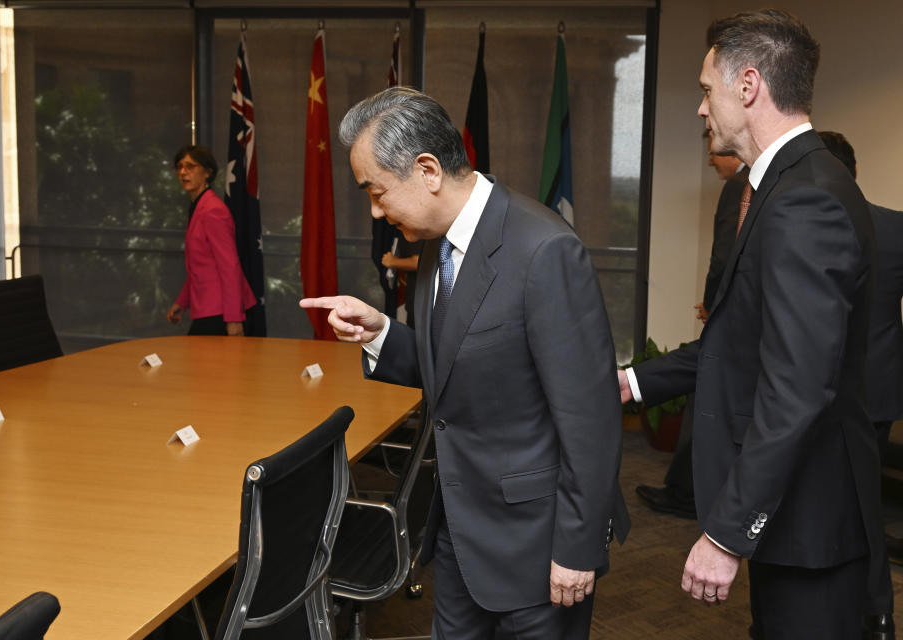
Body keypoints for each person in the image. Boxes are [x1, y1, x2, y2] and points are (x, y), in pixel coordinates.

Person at [301, 87, 628, 639]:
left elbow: (590, 419)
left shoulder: (544, 250)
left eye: (377, 192)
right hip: (459, 529)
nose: (376, 211)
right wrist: (382, 333)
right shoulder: (437, 241)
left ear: (427, 169)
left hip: (537, 544)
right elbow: (456, 365)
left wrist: (577, 547)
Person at [619, 10, 880, 638]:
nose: (702, 109)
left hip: (810, 521)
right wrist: (631, 383)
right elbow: (738, 344)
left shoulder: (804, 198)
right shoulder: (783, 187)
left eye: (707, 90)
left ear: (748, 85)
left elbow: (796, 388)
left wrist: (726, 533)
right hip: (799, 517)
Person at [636, 133, 748, 520]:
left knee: (704, 400)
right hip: (738, 320)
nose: (710, 160)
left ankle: (687, 493)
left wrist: (715, 307)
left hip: (728, 325)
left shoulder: (740, 188)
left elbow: (724, 258)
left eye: (712, 149)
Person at [819, 129, 902, 640]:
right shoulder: (894, 226)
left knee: (833, 503)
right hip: (879, 388)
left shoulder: (810, 223)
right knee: (865, 504)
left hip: (827, 393)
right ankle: (877, 615)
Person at [166, 145, 256, 336]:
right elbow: (200, 267)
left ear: (207, 173)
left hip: (220, 311)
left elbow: (229, 265)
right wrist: (182, 302)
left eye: (190, 166)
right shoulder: (199, 206)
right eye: (180, 167)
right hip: (207, 308)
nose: (183, 172)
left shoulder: (213, 210)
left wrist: (233, 318)